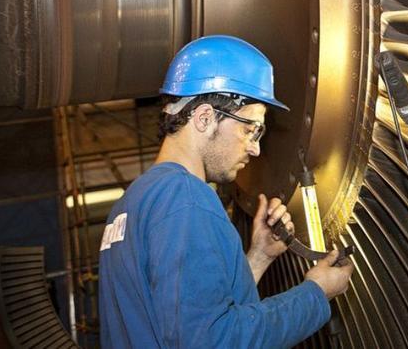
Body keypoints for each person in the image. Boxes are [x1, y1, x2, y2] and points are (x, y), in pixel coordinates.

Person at [98, 35, 353, 347]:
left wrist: (258, 257)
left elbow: (186, 316)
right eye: (250, 130)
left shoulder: (132, 203)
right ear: (205, 117)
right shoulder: (186, 198)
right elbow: (213, 341)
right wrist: (316, 292)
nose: (256, 149)